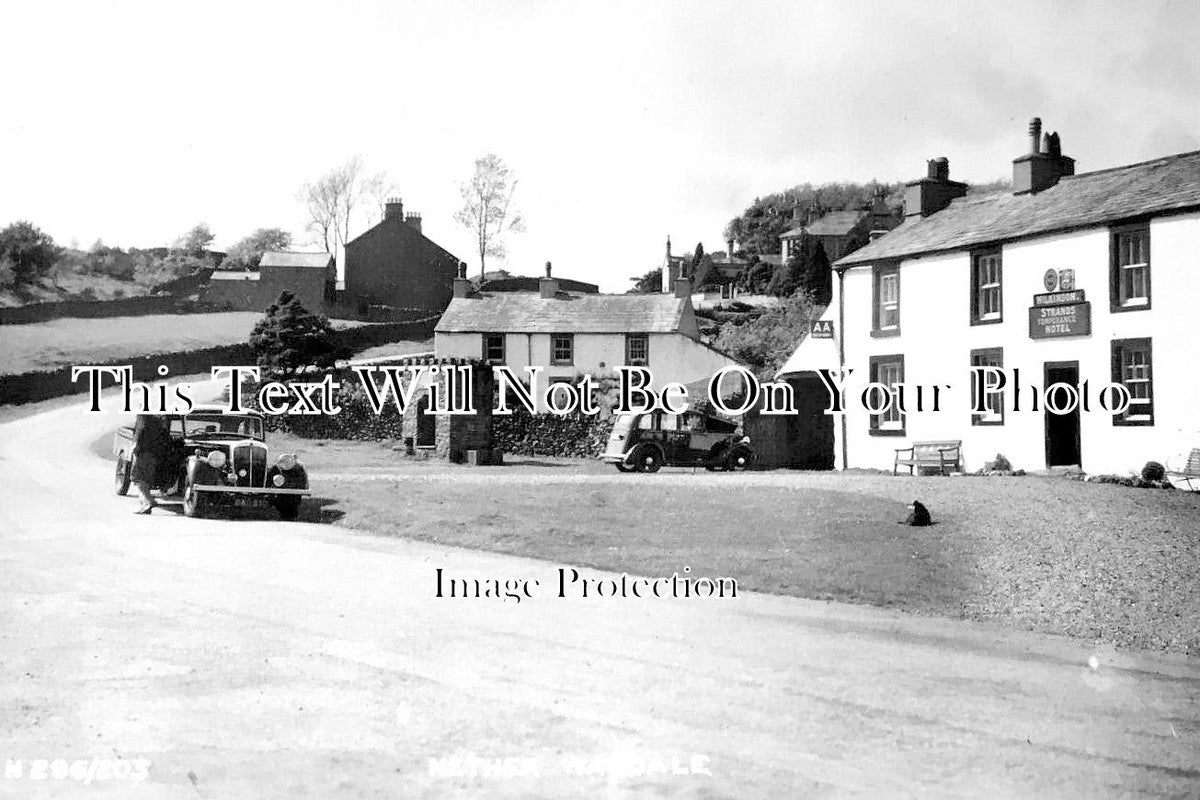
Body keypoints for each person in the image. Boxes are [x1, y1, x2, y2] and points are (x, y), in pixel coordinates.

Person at [130, 414, 173, 514]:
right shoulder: (159, 420)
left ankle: (149, 501)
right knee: (145, 479)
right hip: (154, 454)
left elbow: (140, 430)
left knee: (138, 478)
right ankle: (146, 503)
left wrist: (135, 445)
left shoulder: (143, 417)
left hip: (143, 452)